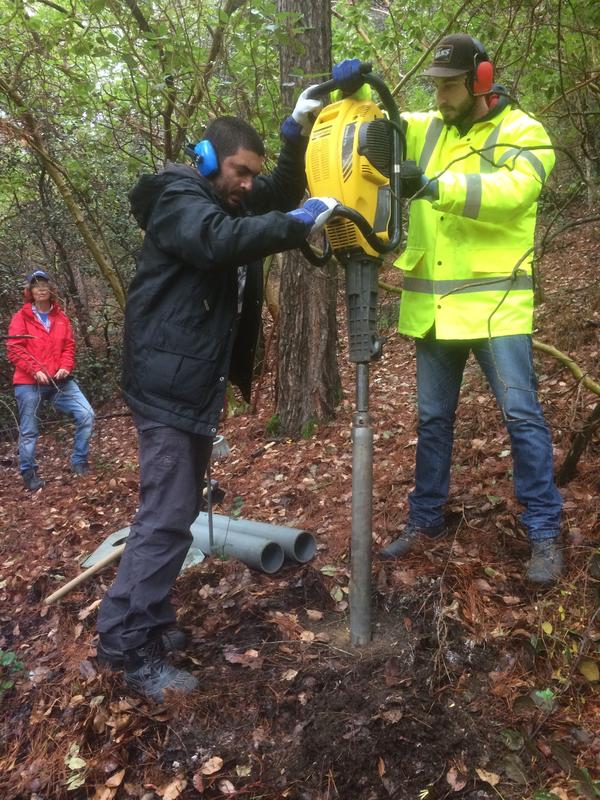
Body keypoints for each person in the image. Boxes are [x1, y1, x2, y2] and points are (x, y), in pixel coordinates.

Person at [95, 95, 340, 702]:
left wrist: (295, 131)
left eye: (251, 173)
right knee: (167, 519)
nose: (249, 183)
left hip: (188, 385)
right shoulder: (182, 200)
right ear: (207, 159)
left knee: (171, 516)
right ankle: (129, 650)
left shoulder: (224, 192)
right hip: (167, 386)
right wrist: (295, 223)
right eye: (241, 172)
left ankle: (138, 626)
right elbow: (217, 242)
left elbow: (280, 189)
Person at [333, 34, 563, 585]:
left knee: (521, 418)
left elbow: (514, 193)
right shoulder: (430, 124)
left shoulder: (525, 133)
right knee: (433, 421)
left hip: (495, 308)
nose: (439, 96)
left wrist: (436, 184)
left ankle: (546, 531)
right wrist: (358, 83)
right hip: (435, 311)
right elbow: (386, 116)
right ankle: (425, 519)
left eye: (450, 85)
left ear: (480, 81)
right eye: (434, 86)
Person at [7, 270, 95, 489]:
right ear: (30, 292)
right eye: (36, 286)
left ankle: (79, 462)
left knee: (86, 415)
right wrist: (34, 369)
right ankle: (29, 473)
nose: (41, 289)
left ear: (50, 289)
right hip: (29, 383)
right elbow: (14, 348)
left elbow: (69, 346)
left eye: (44, 284)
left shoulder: (61, 317)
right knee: (29, 431)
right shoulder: (21, 317)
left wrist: (66, 366)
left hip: (60, 382)